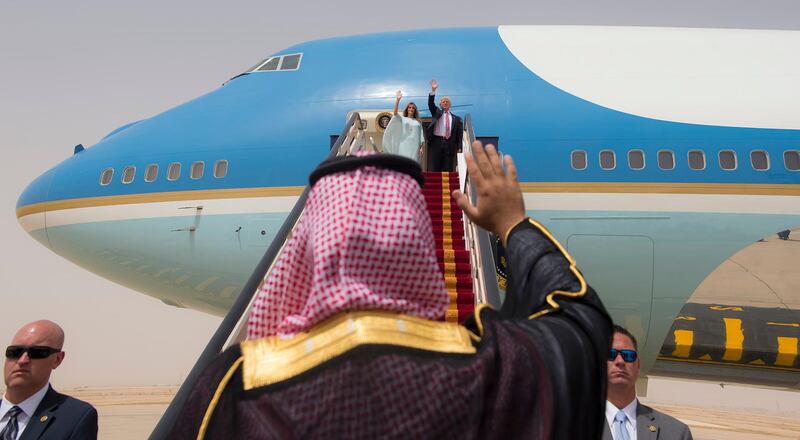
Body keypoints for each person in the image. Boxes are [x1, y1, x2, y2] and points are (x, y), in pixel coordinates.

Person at [171, 143, 612, 439]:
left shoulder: (241, 382)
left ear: (308, 244)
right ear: (419, 240)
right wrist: (511, 224)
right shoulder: (491, 366)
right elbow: (578, 323)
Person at [2, 320, 97, 440]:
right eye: (15, 352)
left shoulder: (74, 418)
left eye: (36, 352)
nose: (22, 360)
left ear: (57, 359)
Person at [603, 325, 693, 440]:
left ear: (638, 365)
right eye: (610, 354)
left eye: (628, 356)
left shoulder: (677, 433)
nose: (620, 361)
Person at [426, 79, 463, 172]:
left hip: (449, 143)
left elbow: (459, 135)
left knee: (448, 166)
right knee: (436, 166)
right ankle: (435, 186)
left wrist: (459, 147)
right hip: (436, 142)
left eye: (447, 101)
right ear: (440, 104)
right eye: (443, 101)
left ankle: (448, 186)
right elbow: (431, 104)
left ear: (450, 105)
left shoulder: (456, 119)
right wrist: (433, 91)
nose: (445, 103)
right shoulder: (436, 112)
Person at [382, 90, 425, 163]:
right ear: (407, 109)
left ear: (415, 110)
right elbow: (395, 114)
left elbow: (421, 136)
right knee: (403, 161)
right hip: (404, 143)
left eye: (413, 108)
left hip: (415, 145)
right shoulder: (402, 119)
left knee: (413, 162)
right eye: (410, 107)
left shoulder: (418, 122)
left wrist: (422, 147)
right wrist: (397, 100)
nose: (411, 109)